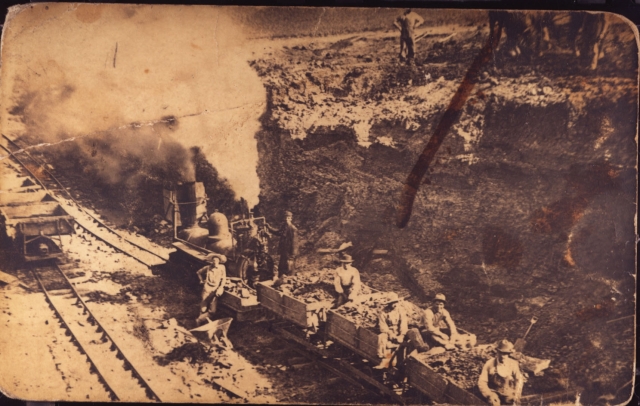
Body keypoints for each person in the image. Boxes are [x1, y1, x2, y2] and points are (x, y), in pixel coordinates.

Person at [478, 339, 525, 406]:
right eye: (501, 353)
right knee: (494, 403)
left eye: (506, 353)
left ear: (509, 354)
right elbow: (482, 381)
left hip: (507, 392)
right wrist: (488, 394)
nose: (503, 356)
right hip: (494, 391)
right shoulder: (490, 363)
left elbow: (519, 380)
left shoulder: (513, 364)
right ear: (497, 352)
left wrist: (517, 394)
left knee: (515, 403)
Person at [375, 293, 408, 368]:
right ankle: (383, 359)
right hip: (388, 332)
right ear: (389, 304)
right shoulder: (383, 312)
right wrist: (391, 335)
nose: (395, 304)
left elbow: (403, 324)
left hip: (398, 332)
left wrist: (402, 335)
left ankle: (403, 363)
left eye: (395, 302)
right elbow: (383, 326)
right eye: (392, 303)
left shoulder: (401, 311)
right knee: (382, 337)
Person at [196, 253, 227, 324]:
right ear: (212, 262)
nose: (215, 262)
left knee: (212, 311)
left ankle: (200, 319)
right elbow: (198, 272)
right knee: (203, 308)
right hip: (206, 289)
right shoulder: (208, 268)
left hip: (215, 290)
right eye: (214, 261)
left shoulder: (222, 268)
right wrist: (201, 280)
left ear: (219, 261)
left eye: (217, 261)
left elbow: (224, 278)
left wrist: (221, 287)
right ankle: (199, 322)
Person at [267, 211, 298, 276]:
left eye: (288, 218)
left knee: (289, 267)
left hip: (289, 252)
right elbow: (278, 232)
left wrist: (292, 255)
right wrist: (269, 228)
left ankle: (290, 281)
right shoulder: (284, 226)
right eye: (285, 218)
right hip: (284, 251)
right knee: (281, 267)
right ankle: (280, 281)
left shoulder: (293, 229)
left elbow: (294, 243)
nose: (286, 220)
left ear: (291, 219)